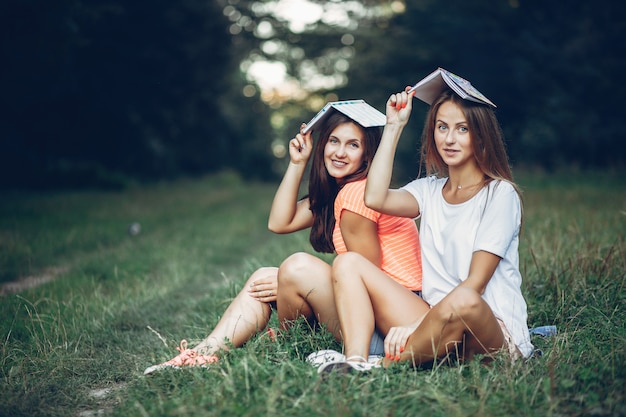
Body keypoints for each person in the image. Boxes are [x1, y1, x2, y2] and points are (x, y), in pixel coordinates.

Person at [144, 103, 423, 375]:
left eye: (353, 145)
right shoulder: (340, 192)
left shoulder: (356, 196)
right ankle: (203, 354)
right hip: (372, 315)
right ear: (322, 144)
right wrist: (297, 162)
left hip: (385, 327)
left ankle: (267, 344)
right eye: (334, 141)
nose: (339, 152)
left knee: (296, 267)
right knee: (265, 276)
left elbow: (365, 279)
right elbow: (280, 222)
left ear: (367, 155)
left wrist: (289, 281)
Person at [319, 72, 533, 373]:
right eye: (441, 127)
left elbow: (475, 284)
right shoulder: (430, 190)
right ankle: (355, 362)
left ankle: (386, 366)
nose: (449, 138)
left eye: (462, 129)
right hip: (435, 323)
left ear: (481, 135)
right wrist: (393, 127)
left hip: (490, 332)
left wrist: (418, 325)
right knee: (348, 263)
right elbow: (375, 198)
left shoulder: (500, 194)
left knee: (465, 300)